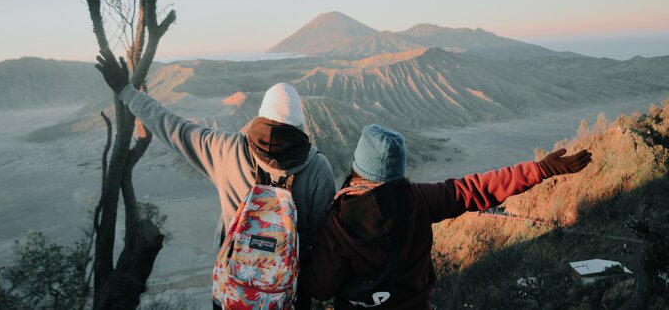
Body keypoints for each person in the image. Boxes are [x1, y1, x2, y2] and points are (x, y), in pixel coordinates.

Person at [95, 49, 336, 309]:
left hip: (233, 291)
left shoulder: (226, 150)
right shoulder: (318, 168)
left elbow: (170, 126)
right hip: (286, 294)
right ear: (300, 125)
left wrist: (124, 89)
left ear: (261, 116)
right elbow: (321, 240)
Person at [305, 124, 593, 310]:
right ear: (398, 171)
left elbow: (321, 287)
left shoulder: (337, 222)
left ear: (358, 167)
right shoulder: (418, 198)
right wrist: (541, 169)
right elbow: (477, 188)